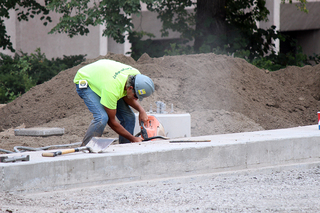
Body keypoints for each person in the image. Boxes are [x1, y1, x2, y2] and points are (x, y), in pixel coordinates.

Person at [74, 59, 155, 146]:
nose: (136, 100)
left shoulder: (136, 76)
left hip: (104, 75)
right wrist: (133, 138)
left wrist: (141, 110)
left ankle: (125, 148)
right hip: (85, 79)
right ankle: (86, 148)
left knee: (129, 117)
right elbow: (111, 122)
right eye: (136, 96)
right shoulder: (112, 90)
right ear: (130, 88)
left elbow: (126, 95)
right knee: (102, 118)